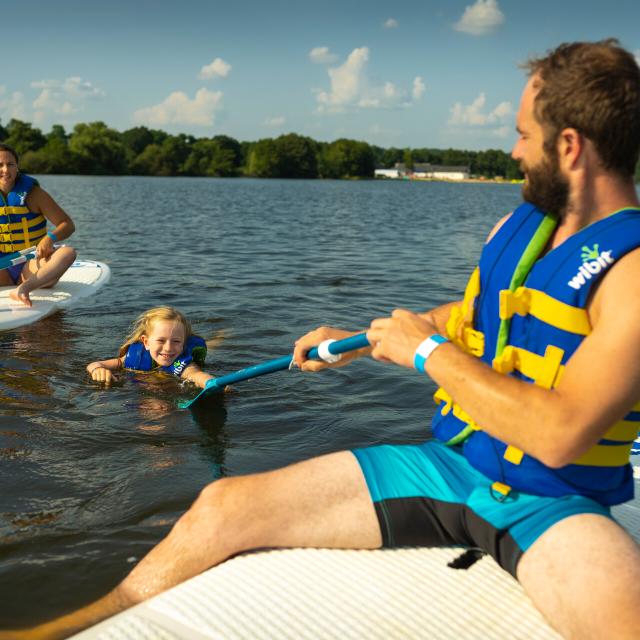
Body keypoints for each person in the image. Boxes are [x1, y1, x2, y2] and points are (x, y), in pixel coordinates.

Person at [8, 39, 640, 640]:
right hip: (451, 466)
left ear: (569, 146)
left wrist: (425, 352)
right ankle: (64, 628)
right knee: (224, 504)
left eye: (523, 135)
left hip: (554, 503)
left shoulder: (632, 271)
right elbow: (476, 315)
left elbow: (564, 433)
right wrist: (366, 339)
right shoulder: (523, 226)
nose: (512, 151)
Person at [0, 144, 77, 307]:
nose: (6, 170)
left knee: (67, 253)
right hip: (3, 268)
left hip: (32, 264)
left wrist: (50, 238)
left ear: (17, 167)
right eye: (0, 165)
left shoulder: (34, 194)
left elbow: (67, 224)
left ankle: (23, 289)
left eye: (10, 164)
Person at [86, 306, 213, 389]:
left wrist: (212, 384)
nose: (168, 348)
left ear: (183, 343)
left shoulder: (184, 362)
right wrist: (97, 370)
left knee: (213, 344)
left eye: (176, 341)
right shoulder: (135, 357)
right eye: (161, 341)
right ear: (146, 342)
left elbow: (197, 375)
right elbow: (94, 364)